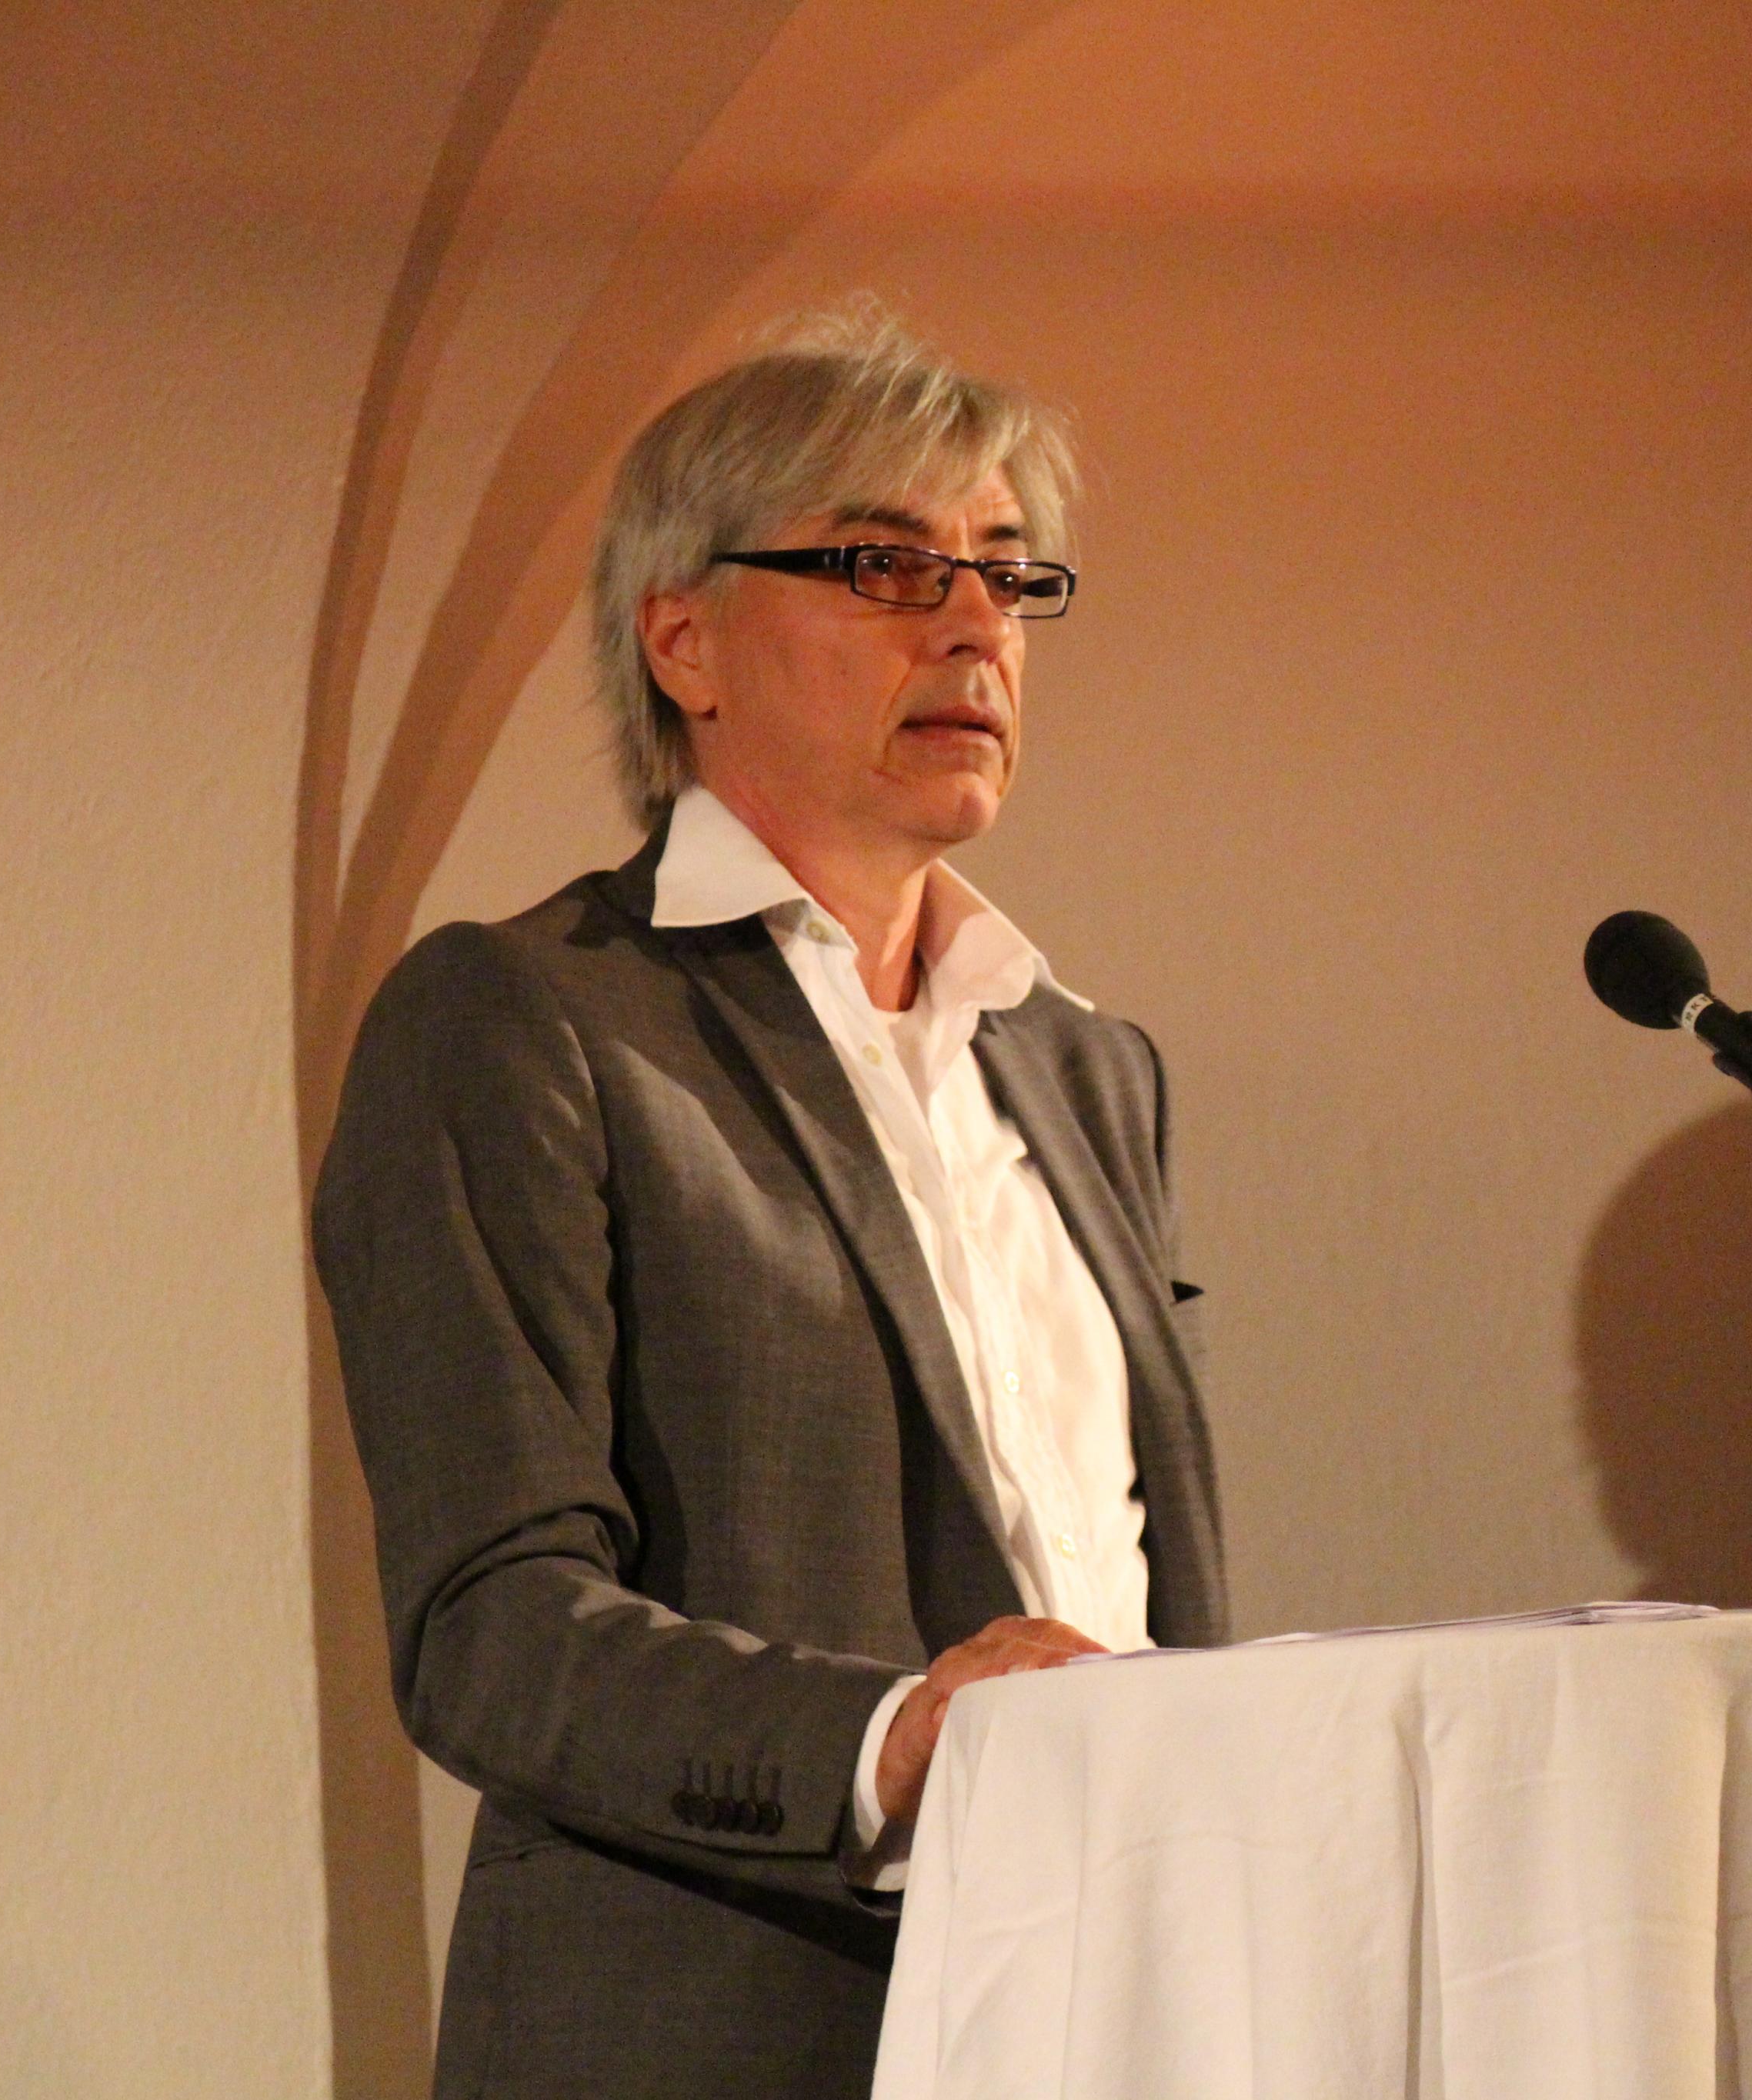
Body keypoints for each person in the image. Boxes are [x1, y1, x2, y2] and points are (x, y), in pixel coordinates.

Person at [313, 304, 1227, 2100]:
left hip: (1106, 2012)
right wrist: (889, 1743)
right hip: (724, 2033)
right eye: (886, 567)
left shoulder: (1088, 1068)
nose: (971, 626)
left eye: (1005, 575)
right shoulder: (523, 1018)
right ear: (685, 642)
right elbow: (488, 1626)